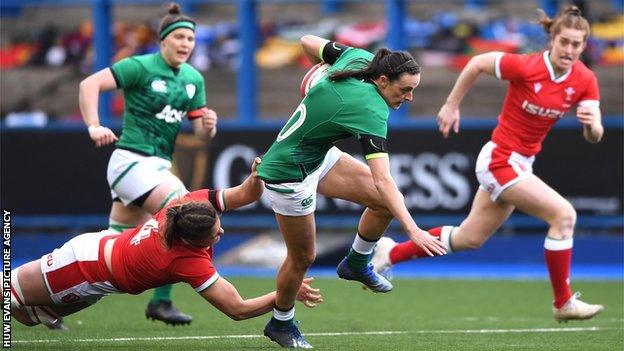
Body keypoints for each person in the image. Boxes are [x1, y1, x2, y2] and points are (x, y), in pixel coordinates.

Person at [371, 6, 604, 323]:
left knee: (469, 238)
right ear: (552, 39)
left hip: (521, 164)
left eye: (577, 44)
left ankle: (391, 252)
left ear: (583, 46)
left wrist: (591, 125)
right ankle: (563, 303)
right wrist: (452, 106)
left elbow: (596, 135)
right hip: (499, 159)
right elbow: (477, 62)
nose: (570, 50)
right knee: (564, 215)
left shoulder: (585, 79)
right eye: (564, 41)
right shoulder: (526, 66)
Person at [256, 35, 448, 348]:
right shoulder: (370, 107)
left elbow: (306, 41)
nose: (410, 97)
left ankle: (356, 263)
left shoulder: (359, 59)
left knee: (383, 203)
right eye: (405, 89)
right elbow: (383, 180)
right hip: (288, 172)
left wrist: (319, 73)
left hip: (316, 153)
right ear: (383, 80)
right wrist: (414, 231)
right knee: (303, 256)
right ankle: (281, 323)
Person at [9, 158, 323, 330]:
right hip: (82, 269)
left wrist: (257, 175)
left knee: (35, 312)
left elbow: (243, 194)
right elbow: (238, 310)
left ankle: (26, 307)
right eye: (214, 235)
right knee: (6, 289)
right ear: (191, 241)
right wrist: (287, 292)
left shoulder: (188, 205)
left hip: (99, 256)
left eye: (218, 225)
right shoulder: (185, 260)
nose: (221, 233)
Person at [78, 3, 217, 326]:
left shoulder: (194, 78)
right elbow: (89, 85)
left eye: (191, 39)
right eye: (179, 37)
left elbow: (200, 132)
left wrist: (208, 125)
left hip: (154, 169)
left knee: (110, 257)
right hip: (131, 161)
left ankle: (42, 301)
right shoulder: (139, 67)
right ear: (163, 40)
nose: (186, 44)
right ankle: (162, 301)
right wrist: (94, 125)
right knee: (182, 209)